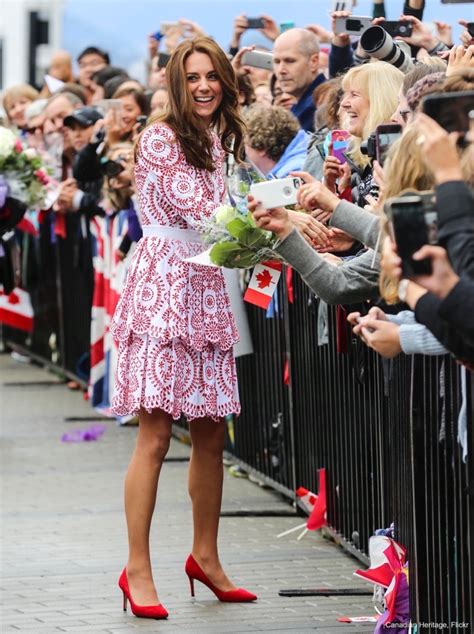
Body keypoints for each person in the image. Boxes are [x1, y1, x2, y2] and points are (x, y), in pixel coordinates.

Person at [109, 36, 257, 620]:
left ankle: (206, 558)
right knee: (153, 433)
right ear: (176, 83)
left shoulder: (219, 140)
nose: (203, 86)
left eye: (212, 77)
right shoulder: (160, 137)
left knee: (211, 433)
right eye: (192, 77)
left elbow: (220, 221)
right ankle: (137, 568)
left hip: (208, 283)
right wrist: (278, 220)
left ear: (224, 80)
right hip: (166, 286)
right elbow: (205, 214)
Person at [272, 28, 326, 132]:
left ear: (314, 62)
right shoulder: (304, 103)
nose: (281, 70)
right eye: (277, 62)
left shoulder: (321, 104)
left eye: (290, 61)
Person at [244, 105, 309, 177]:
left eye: (245, 145)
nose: (244, 154)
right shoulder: (305, 153)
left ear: (261, 147)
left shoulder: (290, 175)